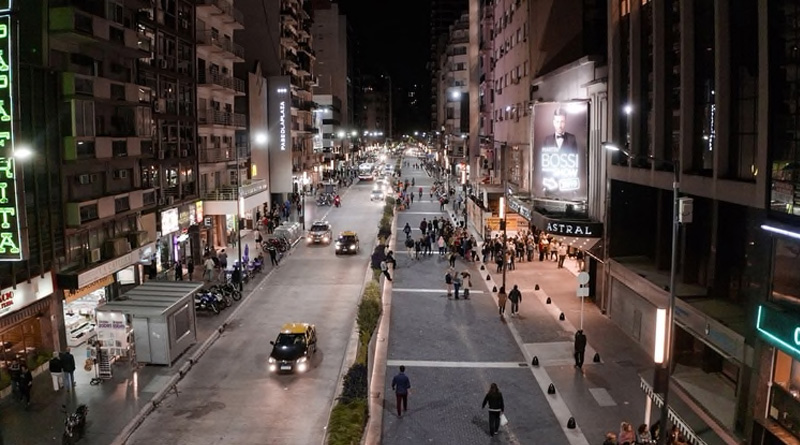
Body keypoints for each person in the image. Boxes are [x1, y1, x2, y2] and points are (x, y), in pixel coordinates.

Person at [540, 107, 580, 195]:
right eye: (557, 122)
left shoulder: (572, 139)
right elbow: (542, 164)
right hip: (550, 186)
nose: (560, 125)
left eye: (562, 122)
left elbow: (576, 163)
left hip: (567, 187)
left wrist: (574, 187)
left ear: (565, 122)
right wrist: (544, 185)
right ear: (553, 122)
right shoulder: (547, 140)